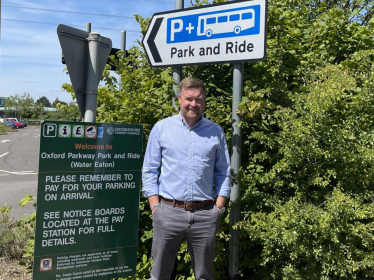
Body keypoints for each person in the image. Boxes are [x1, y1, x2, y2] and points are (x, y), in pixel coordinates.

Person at [142, 77, 231, 280]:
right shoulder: (162, 128)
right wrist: (155, 207)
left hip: (205, 214)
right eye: (189, 99)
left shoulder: (215, 131)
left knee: (204, 276)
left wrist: (219, 207)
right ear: (180, 99)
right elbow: (149, 170)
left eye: (199, 99)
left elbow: (224, 171)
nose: (194, 104)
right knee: (159, 275)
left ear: (204, 100)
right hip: (168, 213)